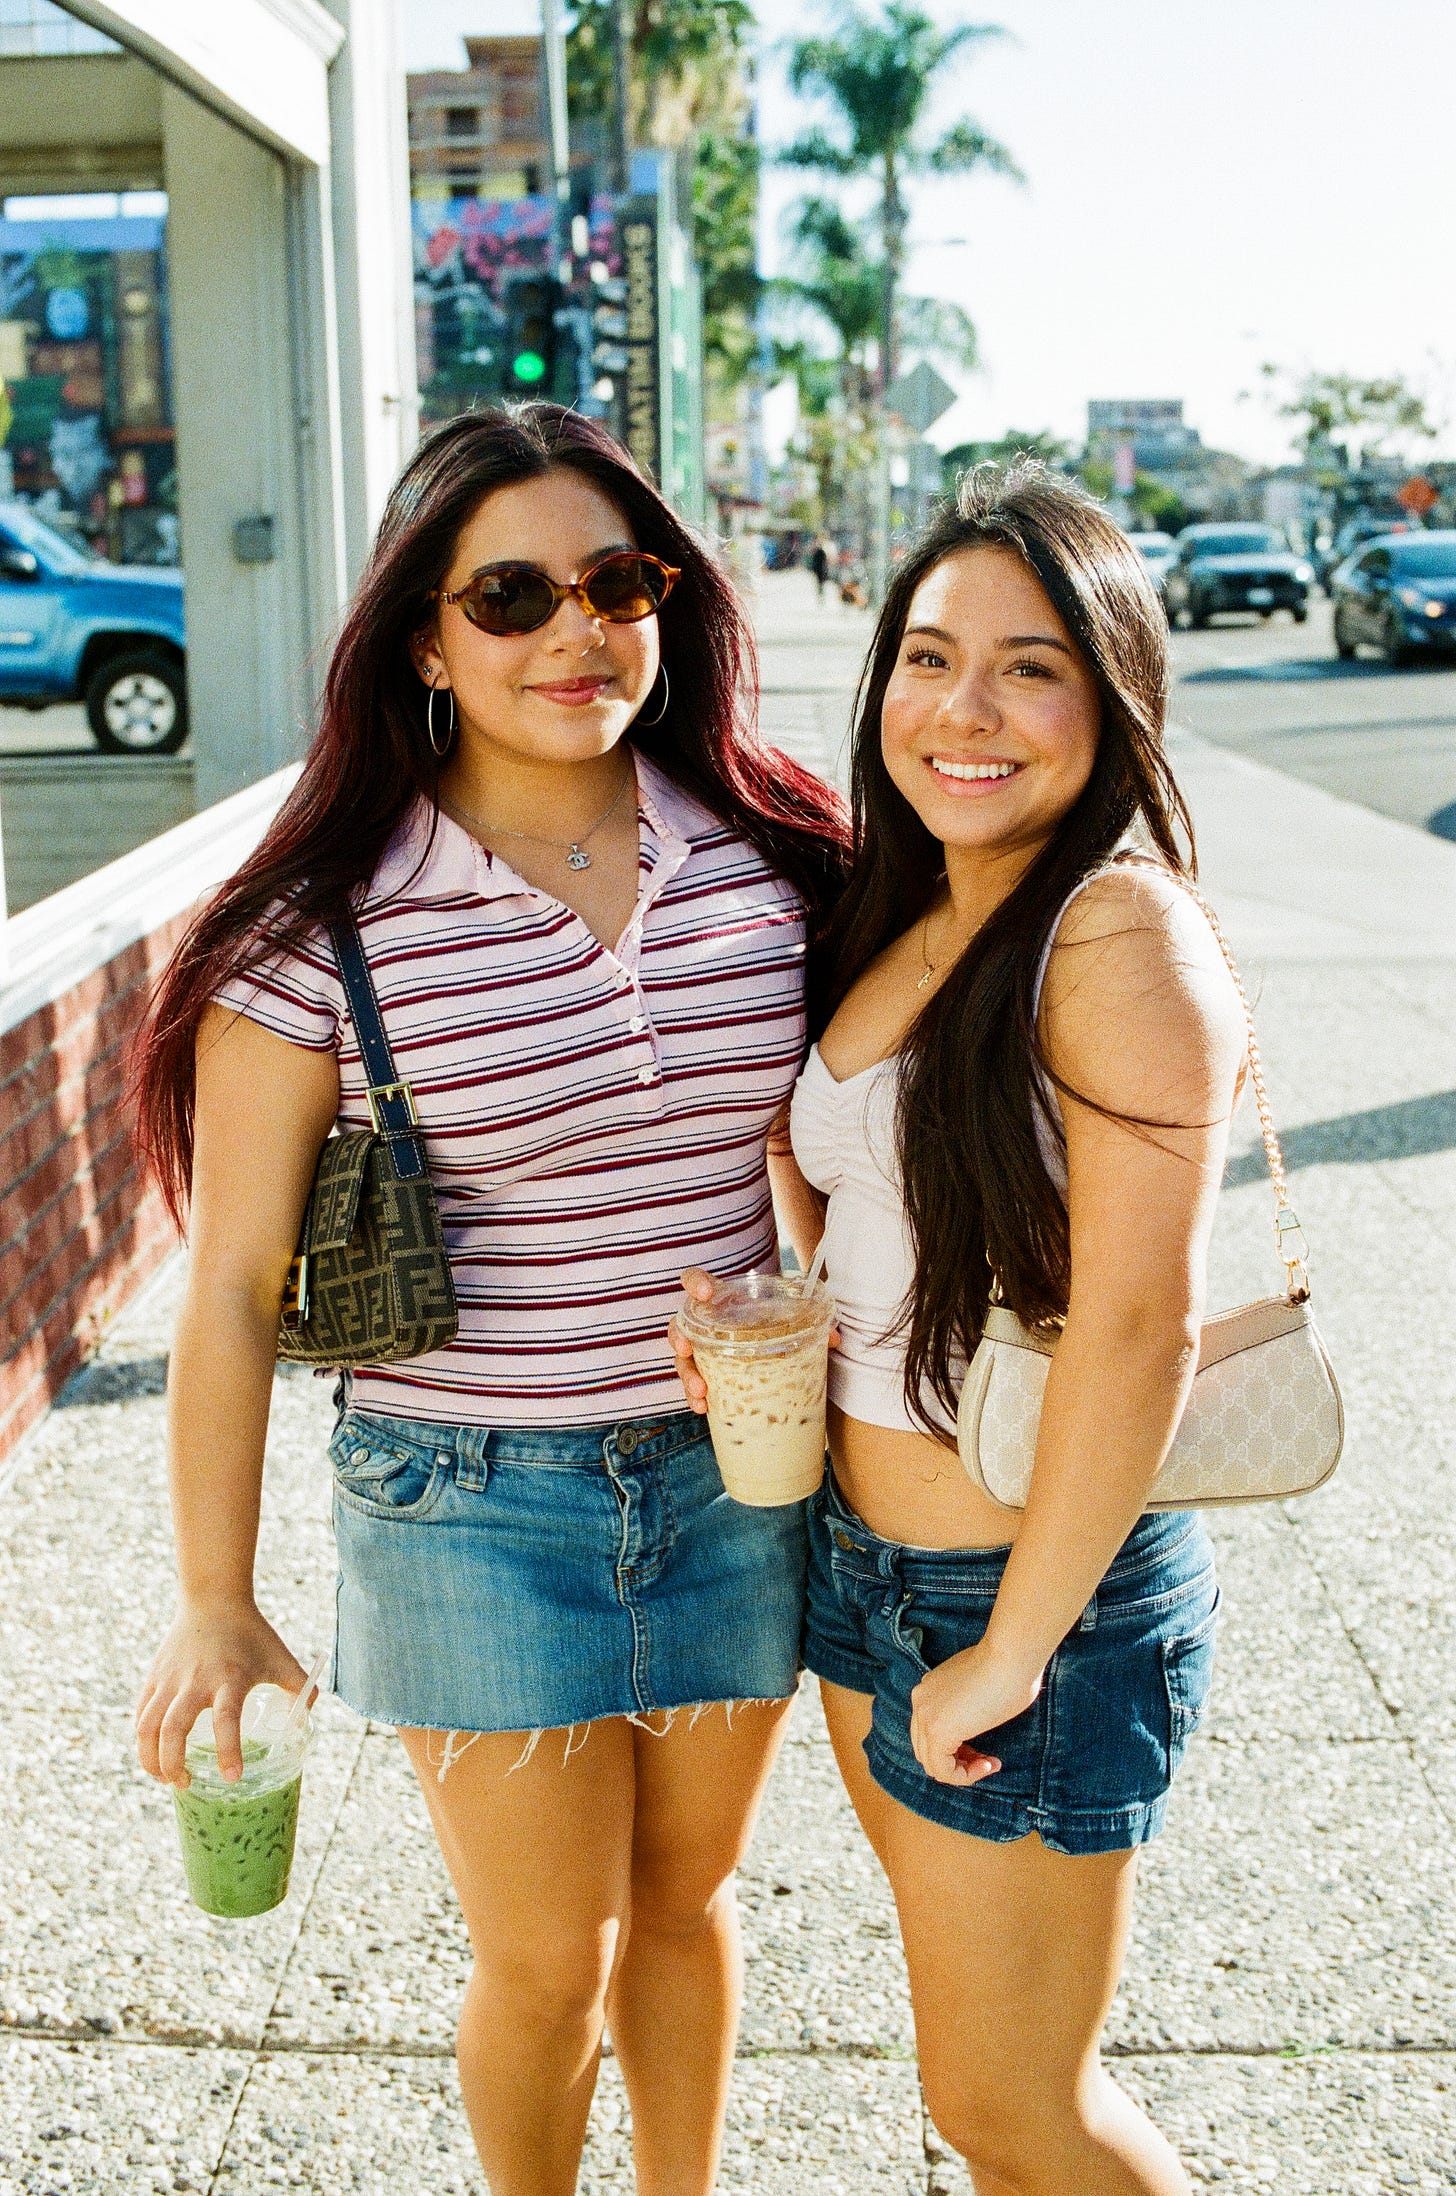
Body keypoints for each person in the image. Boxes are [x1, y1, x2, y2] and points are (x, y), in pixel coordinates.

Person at [132, 403, 848, 2196]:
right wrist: (216, 1600)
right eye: (510, 596)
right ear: (427, 641)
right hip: (465, 1500)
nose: (574, 633)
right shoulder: (326, 928)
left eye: (617, 582)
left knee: (682, 1905)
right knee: (549, 1959)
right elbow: (225, 1291)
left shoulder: (774, 863)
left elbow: (872, 1143)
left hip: (733, 1481)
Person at [674, 459, 1243, 2194]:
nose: (963, 708)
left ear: (1112, 693)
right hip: (871, 1574)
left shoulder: (1116, 931)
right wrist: (768, 1325)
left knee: (1021, 2109)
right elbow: (888, 1224)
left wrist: (1009, 1651)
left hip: (1023, 1609)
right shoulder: (912, 911)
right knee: (976, 2103)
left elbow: (1142, 1328)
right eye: (927, 657)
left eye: (1028, 664)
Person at [808, 535, 831, 599]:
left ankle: (820, 592)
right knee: (821, 582)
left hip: (818, 569)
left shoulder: (818, 552)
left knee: (819, 582)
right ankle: (821, 592)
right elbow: (825, 561)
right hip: (821, 569)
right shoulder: (821, 552)